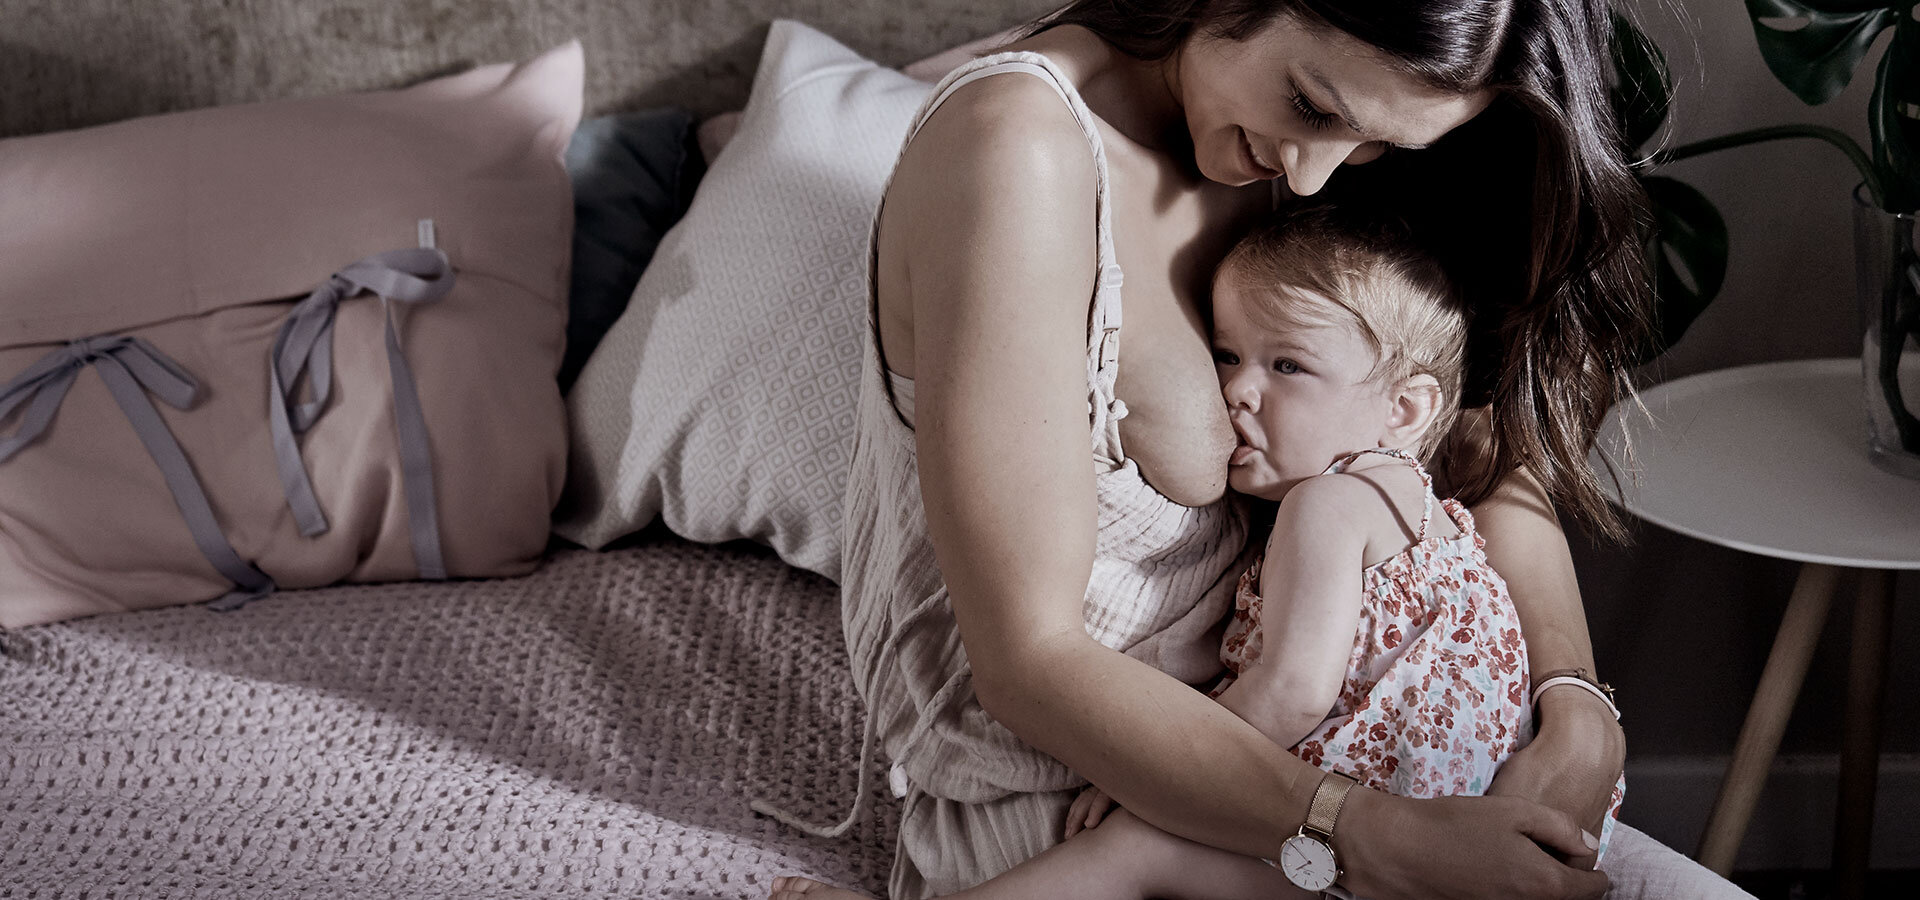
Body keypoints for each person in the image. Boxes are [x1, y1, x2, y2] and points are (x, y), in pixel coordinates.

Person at [756, 2, 1742, 898]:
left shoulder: (1345, 145)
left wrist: (1574, 705)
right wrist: (1369, 833)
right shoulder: (1019, 151)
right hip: (1084, 825)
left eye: (1364, 142)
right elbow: (1029, 662)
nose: (1314, 174)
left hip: (1342, 770)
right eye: (1311, 105)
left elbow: (1478, 461)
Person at [769, 203, 1623, 900]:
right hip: (1463, 845)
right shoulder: (1439, 521)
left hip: (1396, 862)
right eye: (1226, 354)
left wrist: (1146, 775)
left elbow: (1291, 691)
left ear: (1406, 409)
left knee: (1138, 849)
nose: (1237, 389)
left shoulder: (1329, 506)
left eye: (1287, 365)